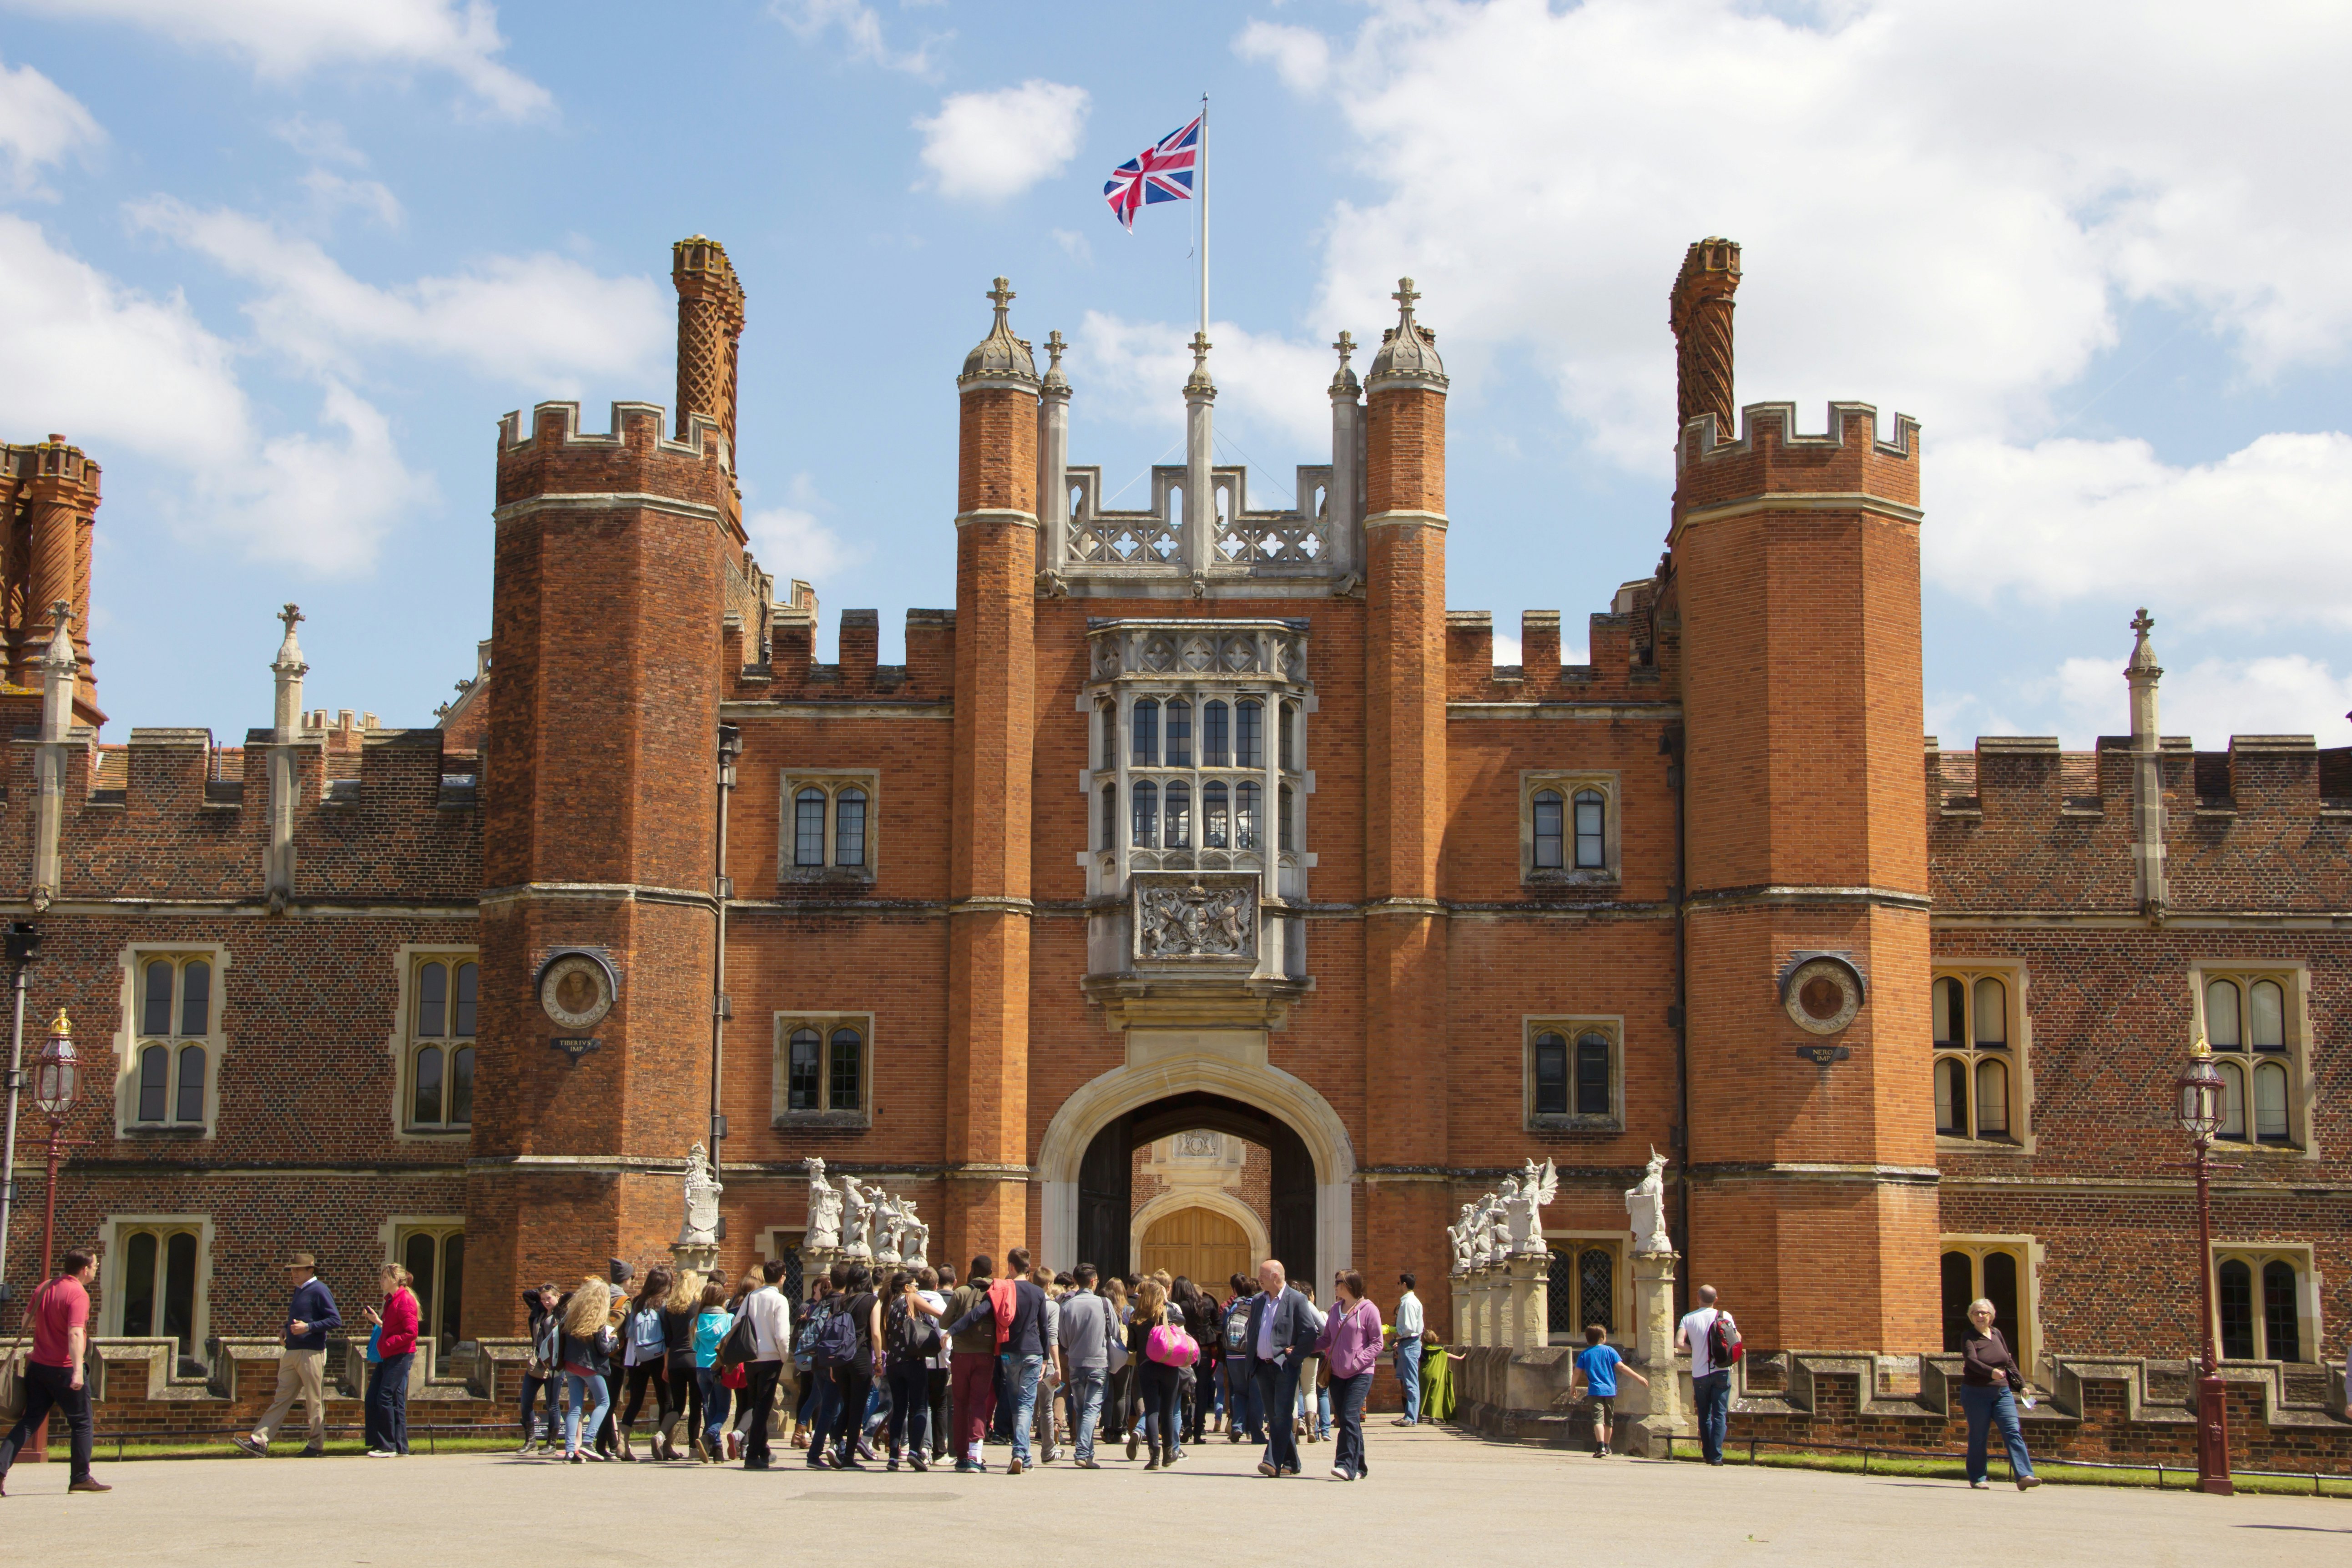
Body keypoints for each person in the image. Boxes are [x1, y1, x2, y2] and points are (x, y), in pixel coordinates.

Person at [0, 1247, 109, 1495]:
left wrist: (48, 1331)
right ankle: (81, 1478)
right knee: (82, 1422)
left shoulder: (45, 1287)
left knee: (30, 1420)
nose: (95, 1270)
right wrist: (78, 1370)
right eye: (95, 1267)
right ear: (84, 1269)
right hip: (64, 1368)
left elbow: (26, 1321)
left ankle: (0, 1470)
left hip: (38, 1366)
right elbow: (74, 1332)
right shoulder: (78, 1294)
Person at [945, 1245, 1050, 1475]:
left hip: (1009, 1352)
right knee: (1025, 1405)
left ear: (1011, 1267)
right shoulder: (1038, 1293)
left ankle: (1024, 1454)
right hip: (1033, 1352)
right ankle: (1021, 1453)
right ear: (1028, 1268)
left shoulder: (1004, 1289)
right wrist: (1046, 1358)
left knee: (1015, 1404)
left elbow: (978, 1313)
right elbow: (1044, 1328)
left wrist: (952, 1330)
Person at [234, 1251, 342, 1457]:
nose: (294, 1273)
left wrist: (309, 1327)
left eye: (299, 1269)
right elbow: (298, 1317)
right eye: (292, 1270)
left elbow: (335, 1320)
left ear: (311, 1270)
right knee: (281, 1398)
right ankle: (259, 1441)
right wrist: (285, 1328)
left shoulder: (320, 1290)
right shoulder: (299, 1291)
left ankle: (316, 1446)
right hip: (292, 1351)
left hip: (312, 1353)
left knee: (314, 1400)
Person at [1247, 1258, 1320, 1478]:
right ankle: (1292, 1462)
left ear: (1276, 1277)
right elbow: (1254, 1332)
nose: (1259, 1279)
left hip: (1285, 1367)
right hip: (1262, 1366)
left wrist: (1296, 1357)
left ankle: (1271, 1461)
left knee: (1281, 1416)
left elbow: (1310, 1333)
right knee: (1275, 1416)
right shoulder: (1258, 1300)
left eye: (1263, 1275)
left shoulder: (1296, 1300)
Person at [1959, 1297, 2041, 1491]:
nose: (1980, 1316)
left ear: (1991, 1316)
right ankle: (1978, 1477)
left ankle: (2024, 1476)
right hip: (1976, 1392)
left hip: (2002, 1392)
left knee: (2013, 1430)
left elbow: (2008, 1360)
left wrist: (2022, 1384)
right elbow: (1971, 1361)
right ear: (1971, 1317)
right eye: (1976, 1313)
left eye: (1983, 1313)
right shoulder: (1968, 1337)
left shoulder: (1997, 1334)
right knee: (1979, 1435)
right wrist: (1990, 1372)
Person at [1318, 1270, 1382, 1482]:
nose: (1335, 1286)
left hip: (1360, 1373)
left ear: (1350, 1285)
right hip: (1337, 1373)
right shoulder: (1336, 1309)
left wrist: (1358, 1361)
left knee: (1349, 1416)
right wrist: (1301, 1348)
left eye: (1339, 1283)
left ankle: (1345, 1464)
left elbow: (1377, 1343)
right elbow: (1327, 1338)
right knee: (1347, 1418)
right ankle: (1360, 1464)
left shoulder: (1369, 1310)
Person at [883, 1268, 947, 1469]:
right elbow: (940, 1315)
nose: (917, 1289)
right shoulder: (910, 1298)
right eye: (915, 1286)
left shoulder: (888, 1304)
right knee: (919, 1405)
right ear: (907, 1287)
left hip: (894, 1363)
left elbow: (884, 1336)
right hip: (913, 1360)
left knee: (899, 1408)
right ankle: (914, 1452)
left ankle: (894, 1457)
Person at [1058, 1262, 1116, 1469]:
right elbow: (1116, 1334)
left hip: (1075, 1362)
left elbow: (1063, 1340)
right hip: (1098, 1362)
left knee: (1082, 1408)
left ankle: (1088, 1453)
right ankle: (1083, 1452)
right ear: (1093, 1282)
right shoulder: (1104, 1304)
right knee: (1092, 1409)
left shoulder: (1067, 1306)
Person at [1128, 1277, 1188, 1471]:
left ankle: (1154, 1457)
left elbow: (1131, 1347)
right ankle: (1169, 1453)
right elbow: (1183, 1320)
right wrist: (1166, 1302)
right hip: (1169, 1366)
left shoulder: (1136, 1317)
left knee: (1152, 1411)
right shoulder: (1168, 1312)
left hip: (1146, 1367)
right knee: (1168, 1412)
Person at [741, 1258, 794, 1470]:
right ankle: (752, 1454)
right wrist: (784, 1356)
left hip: (750, 1356)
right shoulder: (780, 1300)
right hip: (771, 1357)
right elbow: (782, 1335)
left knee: (757, 1403)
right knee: (763, 1406)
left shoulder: (752, 1296)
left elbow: (739, 1323)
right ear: (782, 1277)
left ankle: (762, 1449)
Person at [1676, 1284, 1737, 1466]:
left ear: (1698, 1298)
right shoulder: (1725, 1316)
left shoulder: (1688, 1318)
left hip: (1700, 1372)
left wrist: (1695, 1350)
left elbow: (1679, 1343)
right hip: (1722, 1371)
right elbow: (1737, 1339)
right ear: (1716, 1299)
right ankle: (1717, 1456)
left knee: (1704, 1415)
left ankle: (1707, 1454)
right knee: (1719, 1415)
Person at [362, 1263, 420, 1457]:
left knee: (385, 1396)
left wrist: (389, 1343)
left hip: (401, 1354)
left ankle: (388, 1446)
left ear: (395, 1279)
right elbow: (392, 1326)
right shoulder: (392, 1300)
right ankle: (395, 1445)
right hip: (389, 1354)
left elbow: (412, 1332)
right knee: (375, 1397)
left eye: (385, 1277)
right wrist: (378, 1322)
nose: (381, 1281)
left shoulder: (405, 1300)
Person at [556, 1277, 616, 1463]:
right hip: (590, 1368)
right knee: (604, 1403)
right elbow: (604, 1349)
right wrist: (614, 1340)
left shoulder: (571, 1315)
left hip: (570, 1365)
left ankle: (570, 1450)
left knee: (575, 1407)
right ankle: (588, 1442)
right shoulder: (597, 1320)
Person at [945, 1255, 996, 1472]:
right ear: (991, 1272)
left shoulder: (961, 1292)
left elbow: (944, 1322)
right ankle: (976, 1456)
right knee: (979, 1403)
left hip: (962, 1354)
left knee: (960, 1404)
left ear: (973, 1271)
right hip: (986, 1353)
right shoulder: (996, 1293)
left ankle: (961, 1456)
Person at [1569, 1323, 1648, 1457]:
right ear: (1602, 1338)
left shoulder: (1585, 1354)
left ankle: (1600, 1447)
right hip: (1610, 1390)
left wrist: (1572, 1388)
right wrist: (1638, 1377)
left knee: (1598, 1420)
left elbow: (1577, 1373)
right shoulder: (1610, 1351)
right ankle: (1607, 1446)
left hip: (1594, 1391)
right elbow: (1622, 1367)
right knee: (1609, 1420)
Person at [518, 1282, 565, 1452]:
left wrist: (557, 1296)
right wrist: (543, 1289)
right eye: (543, 1299)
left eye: (549, 1298)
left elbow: (571, 1297)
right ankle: (531, 1440)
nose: (545, 1302)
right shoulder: (539, 1311)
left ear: (558, 1297)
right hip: (536, 1362)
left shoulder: (563, 1312)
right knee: (526, 1402)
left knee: (552, 1404)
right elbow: (526, 1294)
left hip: (554, 1364)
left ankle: (552, 1443)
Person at [690, 1279, 732, 1462]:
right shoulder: (727, 1318)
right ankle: (709, 1436)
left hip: (701, 1367)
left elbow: (695, 1347)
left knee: (708, 1407)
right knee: (723, 1409)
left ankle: (717, 1449)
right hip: (719, 1367)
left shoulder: (696, 1320)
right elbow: (729, 1346)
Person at [1221, 1275, 1262, 1443]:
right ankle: (1255, 1432)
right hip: (1251, 1355)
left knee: (1239, 1392)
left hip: (1232, 1354)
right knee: (1256, 1394)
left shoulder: (1235, 1306)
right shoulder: (1260, 1305)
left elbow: (1224, 1327)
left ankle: (1237, 1426)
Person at [922, 1265, 953, 1463]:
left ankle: (919, 1449)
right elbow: (945, 1338)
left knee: (919, 1406)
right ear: (936, 1285)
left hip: (914, 1362)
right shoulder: (939, 1304)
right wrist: (950, 1362)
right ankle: (939, 1451)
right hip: (936, 1363)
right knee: (939, 1406)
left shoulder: (907, 1301)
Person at [1391, 1272, 1425, 1427]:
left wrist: (1397, 1333)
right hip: (1408, 1343)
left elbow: (1410, 1327)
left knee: (1411, 1381)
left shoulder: (1409, 1303)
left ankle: (1412, 1417)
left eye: (1399, 1284)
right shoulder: (1408, 1301)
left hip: (1409, 1342)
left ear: (1404, 1284)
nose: (1398, 1287)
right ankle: (1409, 1414)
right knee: (1407, 1381)